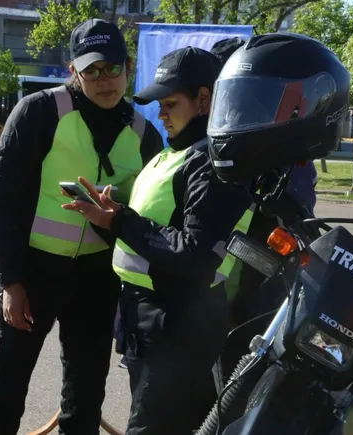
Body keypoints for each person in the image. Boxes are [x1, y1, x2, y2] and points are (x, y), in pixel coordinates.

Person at [0, 18, 163, 435]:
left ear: (128, 66)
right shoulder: (41, 111)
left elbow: (150, 217)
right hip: (32, 272)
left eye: (112, 68)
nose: (104, 80)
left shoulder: (145, 133)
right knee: (1, 396)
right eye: (91, 69)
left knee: (85, 399)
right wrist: (11, 281)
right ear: (73, 70)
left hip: (97, 278)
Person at [62, 46, 254, 435]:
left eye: (170, 103)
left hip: (178, 322)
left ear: (204, 99)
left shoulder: (212, 165)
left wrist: (122, 220)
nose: (160, 114)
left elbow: (195, 255)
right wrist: (107, 219)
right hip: (150, 317)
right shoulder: (175, 154)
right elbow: (149, 235)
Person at [205, 32, 350, 391]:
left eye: (256, 102)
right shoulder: (233, 160)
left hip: (266, 298)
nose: (238, 115)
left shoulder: (287, 163)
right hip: (228, 304)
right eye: (235, 102)